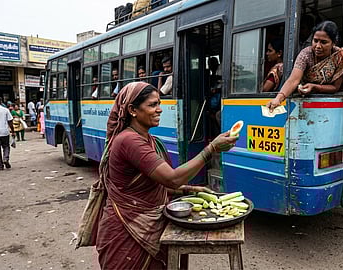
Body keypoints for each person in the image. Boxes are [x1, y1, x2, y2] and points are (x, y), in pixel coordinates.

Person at [95, 82, 238, 269]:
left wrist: (189, 189)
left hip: (146, 222)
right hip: (128, 228)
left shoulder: (148, 140)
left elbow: (155, 183)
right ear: (132, 110)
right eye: (152, 105)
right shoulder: (128, 141)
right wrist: (211, 149)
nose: (159, 110)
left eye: (159, 104)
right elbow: (172, 178)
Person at [266, 21, 343, 112]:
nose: (318, 46)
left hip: (331, 105)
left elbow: (335, 87)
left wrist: (315, 87)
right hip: (303, 102)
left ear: (334, 43)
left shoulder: (340, 56)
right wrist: (278, 98)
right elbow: (293, 80)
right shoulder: (306, 54)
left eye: (323, 42)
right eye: (315, 41)